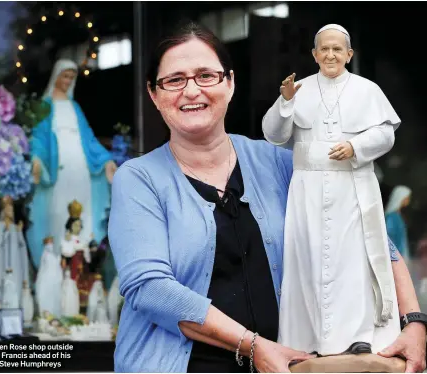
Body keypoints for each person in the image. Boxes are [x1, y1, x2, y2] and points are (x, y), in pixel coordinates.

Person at [108, 21, 426, 373]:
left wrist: (413, 321)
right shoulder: (137, 180)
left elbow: (367, 229)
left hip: (288, 365)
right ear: (154, 94)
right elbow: (150, 289)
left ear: (229, 83)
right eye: (174, 80)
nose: (191, 90)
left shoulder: (279, 162)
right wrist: (254, 345)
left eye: (205, 76)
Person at [262, 24, 403, 356]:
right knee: (308, 259)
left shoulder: (367, 90)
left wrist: (356, 146)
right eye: (324, 49)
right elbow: (275, 134)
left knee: (352, 260)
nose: (330, 55)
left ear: (349, 54)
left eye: (337, 49)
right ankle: (307, 338)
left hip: (351, 188)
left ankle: (358, 335)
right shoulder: (298, 89)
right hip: (307, 191)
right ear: (314, 54)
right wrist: (285, 103)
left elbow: (386, 135)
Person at [27, 59, 117, 270]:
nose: (67, 81)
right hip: (59, 166)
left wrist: (106, 160)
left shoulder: (74, 107)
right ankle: (57, 262)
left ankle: (81, 265)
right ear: (56, 77)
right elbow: (38, 138)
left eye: (71, 77)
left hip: (80, 165)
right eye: (65, 76)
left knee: (83, 210)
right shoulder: (44, 106)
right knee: (58, 209)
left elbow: (89, 139)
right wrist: (36, 159)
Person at [385, 185, 412, 260]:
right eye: (407, 197)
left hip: (400, 255)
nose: (408, 200)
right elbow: (389, 238)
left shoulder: (398, 216)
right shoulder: (392, 217)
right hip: (395, 257)